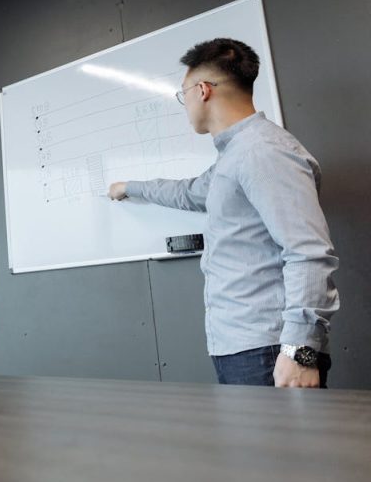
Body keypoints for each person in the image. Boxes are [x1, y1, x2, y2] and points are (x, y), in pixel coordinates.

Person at [108, 38, 340, 388]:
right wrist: (130, 187)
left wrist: (299, 353)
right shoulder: (235, 157)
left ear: (202, 91)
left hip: (271, 351)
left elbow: (308, 252)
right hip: (246, 347)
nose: (183, 105)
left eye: (182, 95)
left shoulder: (263, 152)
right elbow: (189, 192)